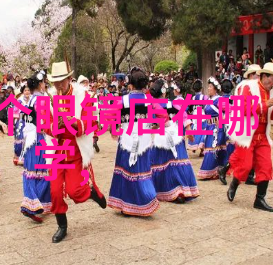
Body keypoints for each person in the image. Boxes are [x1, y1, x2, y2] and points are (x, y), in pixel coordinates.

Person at [45, 61, 107, 243]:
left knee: (74, 191)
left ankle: (92, 192)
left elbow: (91, 122)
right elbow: (44, 124)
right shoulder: (49, 97)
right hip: (56, 150)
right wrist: (54, 126)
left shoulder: (83, 96)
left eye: (61, 81)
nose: (58, 85)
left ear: (69, 79)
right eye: (55, 81)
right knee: (55, 191)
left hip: (75, 151)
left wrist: (73, 122)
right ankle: (62, 226)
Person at [108, 68, 159, 216]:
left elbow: (111, 115)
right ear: (144, 85)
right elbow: (161, 117)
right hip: (144, 139)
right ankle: (145, 200)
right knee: (141, 169)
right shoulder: (149, 101)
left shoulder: (122, 100)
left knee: (125, 170)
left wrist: (114, 129)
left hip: (126, 139)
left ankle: (125, 204)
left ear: (130, 85)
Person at [227, 63, 273, 212]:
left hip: (263, 136)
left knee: (266, 166)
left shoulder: (271, 92)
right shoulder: (248, 87)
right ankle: (234, 183)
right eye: (272, 79)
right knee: (245, 166)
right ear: (264, 76)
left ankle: (259, 199)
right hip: (248, 134)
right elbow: (244, 110)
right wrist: (265, 105)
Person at [150, 79, 199, 203]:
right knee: (177, 162)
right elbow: (183, 116)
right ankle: (181, 190)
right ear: (163, 91)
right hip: (174, 134)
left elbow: (152, 124)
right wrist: (188, 130)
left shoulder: (152, 106)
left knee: (163, 163)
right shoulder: (171, 104)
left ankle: (165, 190)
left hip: (160, 137)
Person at [219, 64, 262, 186]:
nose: (258, 78)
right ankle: (224, 170)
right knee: (240, 152)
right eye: (256, 75)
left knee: (253, 151)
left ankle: (249, 175)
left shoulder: (256, 88)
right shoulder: (244, 88)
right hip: (245, 122)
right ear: (250, 75)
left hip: (253, 122)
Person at [20, 70, 52, 223]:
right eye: (44, 82)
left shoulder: (30, 99)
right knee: (43, 169)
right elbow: (45, 123)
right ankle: (33, 204)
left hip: (30, 139)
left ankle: (34, 203)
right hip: (39, 138)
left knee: (32, 170)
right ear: (40, 84)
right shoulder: (41, 100)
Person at [197, 77, 227, 180]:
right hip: (208, 126)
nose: (208, 88)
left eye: (210, 87)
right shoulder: (208, 100)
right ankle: (216, 170)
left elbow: (227, 112)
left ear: (215, 89)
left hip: (217, 127)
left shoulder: (220, 99)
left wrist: (221, 121)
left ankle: (211, 170)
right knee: (210, 148)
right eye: (208, 86)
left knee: (213, 148)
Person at [187, 79, 208, 156]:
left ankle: (194, 146)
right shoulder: (204, 97)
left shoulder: (192, 98)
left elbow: (190, 109)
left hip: (195, 115)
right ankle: (202, 149)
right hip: (202, 114)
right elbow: (206, 107)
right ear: (201, 88)